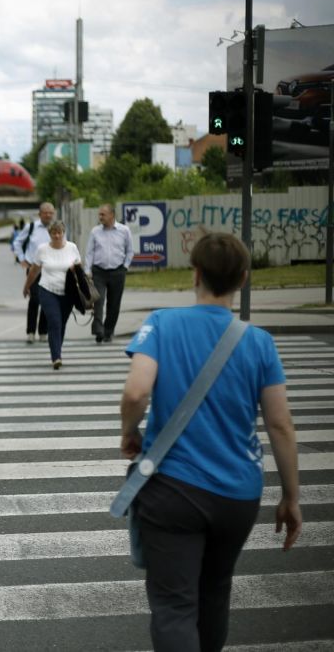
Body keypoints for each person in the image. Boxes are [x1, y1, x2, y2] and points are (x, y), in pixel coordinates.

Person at [119, 232, 301, 651]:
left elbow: (135, 393)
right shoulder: (259, 342)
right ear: (243, 278)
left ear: (194, 274)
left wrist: (130, 433)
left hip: (173, 489)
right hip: (237, 495)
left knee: (173, 605)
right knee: (214, 595)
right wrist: (291, 497)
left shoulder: (162, 323)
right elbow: (280, 425)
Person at [22, 220, 80, 370]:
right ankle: (56, 357)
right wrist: (27, 286)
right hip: (47, 290)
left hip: (67, 293)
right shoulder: (42, 250)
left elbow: (79, 269)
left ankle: (57, 349)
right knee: (54, 321)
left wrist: (78, 274)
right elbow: (34, 270)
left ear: (63, 233)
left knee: (61, 324)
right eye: (54, 233)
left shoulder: (72, 247)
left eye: (59, 233)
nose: (57, 236)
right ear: (50, 234)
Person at [84, 203, 133, 343]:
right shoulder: (95, 231)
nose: (100, 217)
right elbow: (89, 252)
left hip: (118, 271)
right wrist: (87, 271)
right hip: (99, 271)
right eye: (99, 214)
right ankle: (98, 330)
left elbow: (130, 251)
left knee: (114, 304)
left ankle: (108, 331)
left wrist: (125, 267)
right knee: (98, 300)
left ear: (112, 215)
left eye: (103, 214)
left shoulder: (124, 231)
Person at [12, 202, 55, 343]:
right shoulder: (31, 227)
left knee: (47, 301)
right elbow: (17, 243)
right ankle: (30, 332)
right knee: (35, 300)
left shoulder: (57, 229)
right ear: (40, 214)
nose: (48, 215)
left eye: (50, 212)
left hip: (51, 270)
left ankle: (43, 332)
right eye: (45, 212)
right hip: (33, 270)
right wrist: (22, 259)